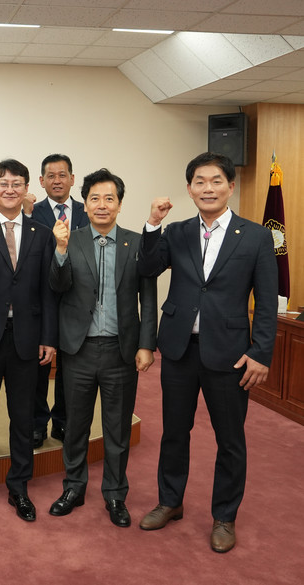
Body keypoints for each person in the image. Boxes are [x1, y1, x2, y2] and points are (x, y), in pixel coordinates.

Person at [137, 152, 277, 553]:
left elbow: (267, 300)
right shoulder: (176, 231)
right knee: (174, 432)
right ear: (189, 189)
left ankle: (225, 517)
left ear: (230, 187)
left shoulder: (255, 236)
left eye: (216, 181)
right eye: (199, 182)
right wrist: (152, 225)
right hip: (180, 350)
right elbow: (147, 268)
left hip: (230, 354)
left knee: (230, 439)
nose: (208, 188)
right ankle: (170, 501)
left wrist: (261, 352)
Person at [47, 168, 157, 527]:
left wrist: (147, 344)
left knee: (117, 428)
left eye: (110, 198)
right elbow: (57, 286)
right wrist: (60, 250)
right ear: (85, 204)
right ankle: (74, 487)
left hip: (120, 351)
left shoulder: (136, 243)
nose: (102, 205)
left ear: (120, 205)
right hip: (78, 349)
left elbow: (148, 298)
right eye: (94, 198)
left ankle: (114, 494)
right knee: (75, 426)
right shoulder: (70, 238)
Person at [0, 159, 57, 523]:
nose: (10, 189)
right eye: (3, 184)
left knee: (23, 419)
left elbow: (47, 290)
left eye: (17, 184)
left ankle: (19, 488)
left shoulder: (41, 232)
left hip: (26, 339)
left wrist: (48, 337)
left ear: (26, 188)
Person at [24, 154, 89, 448]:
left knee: (71, 368)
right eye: (51, 176)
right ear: (41, 181)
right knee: (39, 367)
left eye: (63, 175)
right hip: (42, 300)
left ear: (72, 179)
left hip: (77, 299)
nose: (57, 181)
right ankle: (37, 423)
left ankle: (63, 421)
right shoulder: (31, 212)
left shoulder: (88, 210)